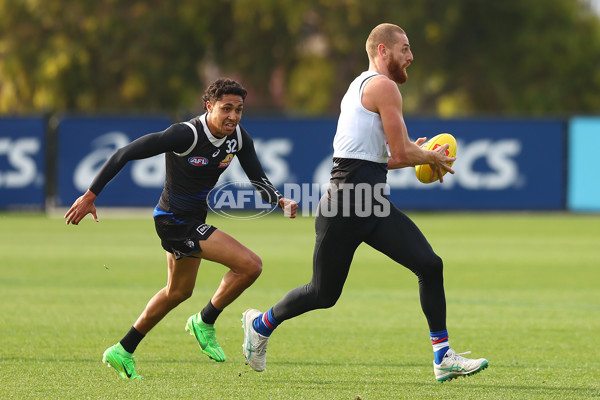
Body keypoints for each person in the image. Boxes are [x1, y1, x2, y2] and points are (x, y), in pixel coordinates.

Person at [242, 23, 488, 382]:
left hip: (369, 201)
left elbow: (385, 158)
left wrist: (420, 154)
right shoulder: (383, 86)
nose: (411, 56)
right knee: (322, 293)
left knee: (429, 265)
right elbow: (401, 152)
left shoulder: (360, 85)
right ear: (383, 51)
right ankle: (260, 324)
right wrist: (427, 156)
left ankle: (442, 356)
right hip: (347, 203)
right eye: (404, 48)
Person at [65, 78, 298, 380]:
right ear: (209, 105)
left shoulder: (238, 138)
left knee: (177, 292)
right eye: (226, 108)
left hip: (191, 221)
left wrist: (279, 200)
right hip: (174, 221)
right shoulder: (185, 134)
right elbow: (125, 153)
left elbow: (258, 179)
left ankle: (122, 350)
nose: (233, 116)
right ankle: (205, 320)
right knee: (250, 266)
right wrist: (90, 195)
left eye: (239, 110)